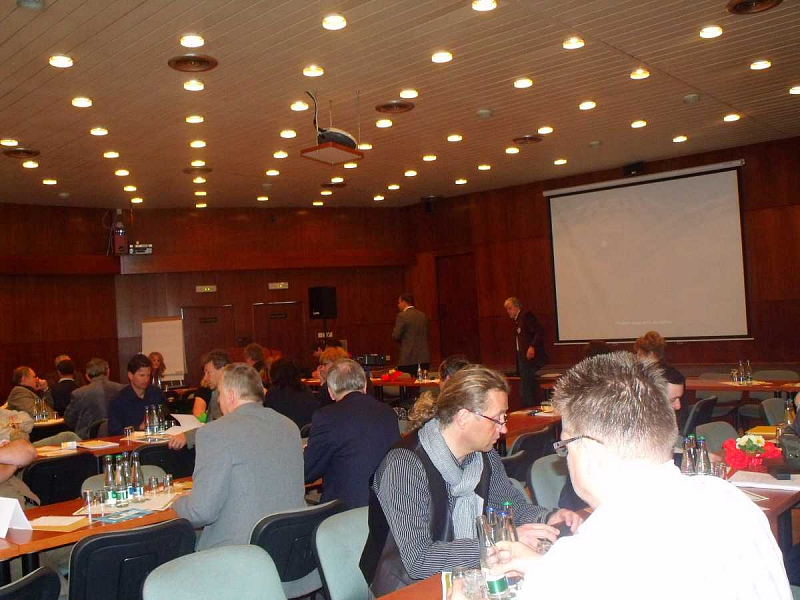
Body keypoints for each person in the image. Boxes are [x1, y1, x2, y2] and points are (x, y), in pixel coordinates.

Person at [469, 352, 791, 600]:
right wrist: (545, 569)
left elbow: (591, 575)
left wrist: (549, 574)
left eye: (566, 445)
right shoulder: (729, 499)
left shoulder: (585, 561)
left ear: (590, 451)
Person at [360, 365, 581, 596]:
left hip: (466, 575)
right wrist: (499, 544)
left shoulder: (484, 455)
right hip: (405, 587)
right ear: (464, 418)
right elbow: (419, 560)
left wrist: (547, 518)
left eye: (504, 417)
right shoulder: (404, 465)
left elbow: (510, 505)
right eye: (497, 419)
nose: (504, 428)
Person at [173, 363, 305, 550]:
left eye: (220, 394)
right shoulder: (289, 426)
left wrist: (175, 502)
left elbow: (200, 513)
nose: (218, 401)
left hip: (240, 552)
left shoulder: (214, 433)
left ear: (231, 395)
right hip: (291, 544)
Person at [304, 359, 399, 509]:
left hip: (345, 511)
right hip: (387, 507)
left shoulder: (326, 417)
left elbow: (308, 471)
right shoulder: (388, 413)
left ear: (330, 392)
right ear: (365, 385)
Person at [169, 350, 231, 450]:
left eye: (208, 372)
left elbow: (218, 427)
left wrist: (187, 436)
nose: (205, 378)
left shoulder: (224, 395)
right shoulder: (218, 391)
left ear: (223, 370)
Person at [503, 297, 548, 407]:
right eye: (507, 309)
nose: (508, 311)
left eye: (510, 308)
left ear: (517, 307)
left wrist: (532, 346)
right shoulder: (518, 320)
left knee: (526, 387)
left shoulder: (526, 316)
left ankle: (529, 408)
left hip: (529, 358)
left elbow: (539, 331)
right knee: (525, 387)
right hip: (523, 358)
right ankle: (529, 407)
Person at [64, 358, 125, 439]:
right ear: (108, 372)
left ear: (87, 376)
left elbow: (69, 420)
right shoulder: (122, 389)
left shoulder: (78, 394)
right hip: (118, 438)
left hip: (87, 440)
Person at [408, 354, 471, 431]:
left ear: (447, 379)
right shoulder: (476, 403)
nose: (439, 383)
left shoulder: (430, 409)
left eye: (439, 378)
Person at [107, 354, 165, 435]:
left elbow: (166, 420)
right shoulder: (118, 400)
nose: (146, 379)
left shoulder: (156, 394)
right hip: (130, 441)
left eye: (148, 375)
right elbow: (114, 432)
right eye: (142, 375)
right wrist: (139, 428)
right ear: (130, 375)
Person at [263, 358, 319, 430]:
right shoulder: (305, 390)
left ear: (274, 374)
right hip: (307, 432)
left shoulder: (274, 393)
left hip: (286, 432)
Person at [392, 293, 430, 376]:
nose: (398, 305)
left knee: (407, 382)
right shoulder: (423, 315)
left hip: (408, 358)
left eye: (399, 302)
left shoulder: (402, 316)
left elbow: (396, 336)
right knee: (422, 381)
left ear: (404, 302)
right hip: (424, 357)